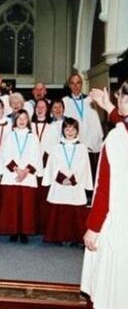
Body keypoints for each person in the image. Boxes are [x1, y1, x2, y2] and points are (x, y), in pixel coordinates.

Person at [81, 80, 128, 309]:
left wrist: (93, 227)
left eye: (122, 95)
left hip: (119, 221)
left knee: (112, 286)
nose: (119, 97)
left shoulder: (116, 140)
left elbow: (105, 188)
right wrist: (109, 107)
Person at [42, 117, 93, 245]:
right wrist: (61, 178)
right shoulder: (56, 147)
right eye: (67, 128)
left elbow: (83, 166)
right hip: (60, 183)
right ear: (63, 130)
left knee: (75, 210)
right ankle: (57, 237)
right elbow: (53, 164)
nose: (69, 131)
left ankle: (76, 238)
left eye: (73, 128)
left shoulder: (82, 148)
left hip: (76, 183)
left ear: (77, 131)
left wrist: (73, 179)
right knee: (59, 209)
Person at [0, 109, 42, 243]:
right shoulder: (9, 136)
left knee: (26, 206)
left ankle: (24, 231)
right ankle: (13, 230)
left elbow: (37, 156)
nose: (22, 121)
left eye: (24, 118)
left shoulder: (33, 137)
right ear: (15, 120)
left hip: (27, 176)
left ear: (28, 120)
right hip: (13, 175)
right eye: (19, 118)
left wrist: (26, 171)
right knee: (13, 204)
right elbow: (5, 154)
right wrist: (17, 170)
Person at [62, 74, 103, 179]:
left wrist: (95, 140)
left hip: (88, 142)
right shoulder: (65, 101)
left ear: (82, 84)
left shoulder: (89, 100)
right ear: (69, 85)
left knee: (88, 173)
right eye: (72, 83)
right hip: (73, 142)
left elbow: (95, 121)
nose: (75, 86)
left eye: (78, 83)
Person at [31, 99, 59, 233]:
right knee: (32, 198)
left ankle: (43, 226)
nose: (40, 109)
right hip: (30, 166)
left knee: (43, 197)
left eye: (43, 107)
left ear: (47, 110)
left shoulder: (52, 127)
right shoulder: (29, 125)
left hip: (46, 164)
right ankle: (31, 225)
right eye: (38, 107)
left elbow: (54, 147)